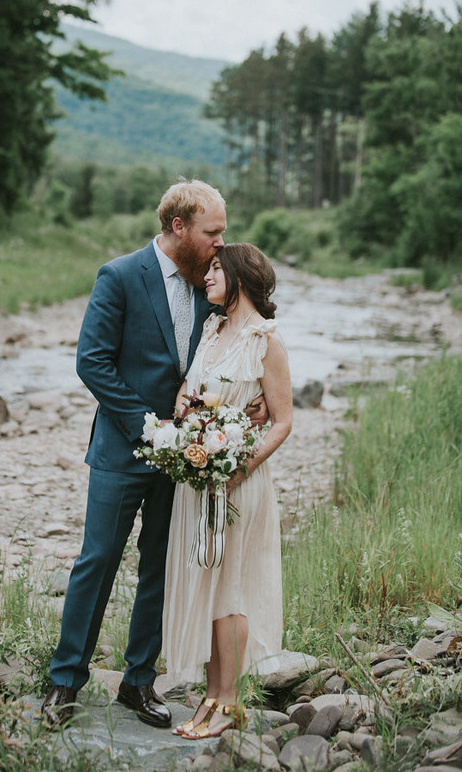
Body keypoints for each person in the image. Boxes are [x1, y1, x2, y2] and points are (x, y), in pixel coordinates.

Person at [41, 179, 228, 729]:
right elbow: (92, 363)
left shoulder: (208, 284)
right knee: (96, 563)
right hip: (123, 451)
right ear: (179, 226)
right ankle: (64, 681)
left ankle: (138, 681)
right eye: (212, 231)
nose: (220, 242)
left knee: (159, 567)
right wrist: (149, 429)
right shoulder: (120, 275)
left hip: (184, 458)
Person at [162, 243, 293, 740]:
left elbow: (282, 422)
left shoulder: (266, 341)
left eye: (216, 269)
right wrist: (185, 423)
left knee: (232, 588)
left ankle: (230, 702)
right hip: (201, 478)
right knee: (212, 585)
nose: (206, 277)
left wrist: (238, 466)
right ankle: (211, 696)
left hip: (238, 482)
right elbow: (189, 392)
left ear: (240, 276)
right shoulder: (213, 329)